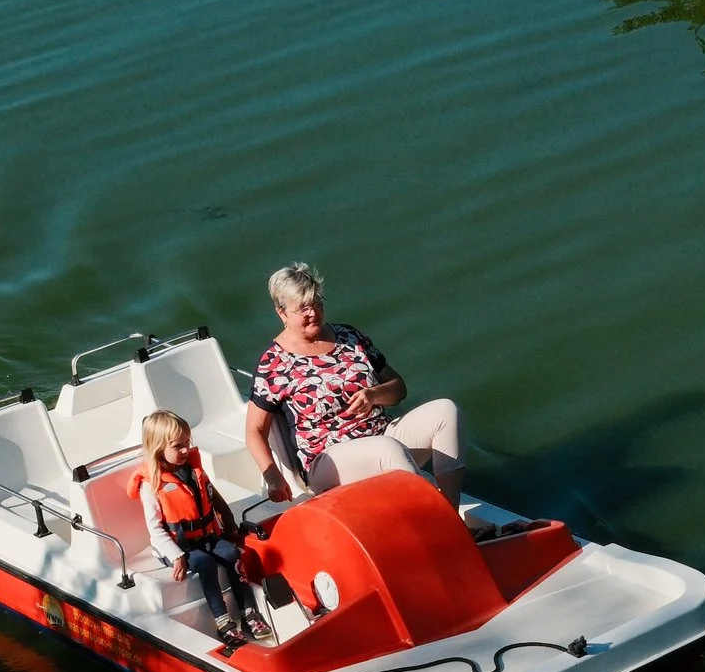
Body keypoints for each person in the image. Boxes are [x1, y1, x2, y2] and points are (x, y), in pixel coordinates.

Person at [244, 262, 466, 506]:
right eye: (303, 308)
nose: (313, 313)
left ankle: (452, 518)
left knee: (445, 411)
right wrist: (272, 474)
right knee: (387, 449)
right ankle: (432, 527)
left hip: (381, 435)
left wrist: (373, 395)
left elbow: (398, 390)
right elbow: (255, 430)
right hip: (327, 461)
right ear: (282, 313)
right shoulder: (274, 364)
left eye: (317, 303)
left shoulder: (349, 337)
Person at [133, 410, 272, 646]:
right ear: (158, 448)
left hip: (207, 536)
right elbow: (155, 531)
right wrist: (176, 556)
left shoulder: (193, 470)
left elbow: (214, 500)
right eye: (178, 446)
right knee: (205, 563)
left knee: (231, 554)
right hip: (176, 547)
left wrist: (229, 528)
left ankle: (249, 613)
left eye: (187, 443)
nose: (186, 450)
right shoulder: (151, 485)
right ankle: (223, 621)